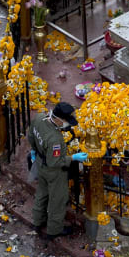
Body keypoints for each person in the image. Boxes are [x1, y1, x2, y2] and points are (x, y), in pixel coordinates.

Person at [28, 102, 87, 240]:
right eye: (66, 122)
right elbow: (54, 162)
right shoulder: (55, 139)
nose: (67, 125)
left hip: (39, 163)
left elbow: (31, 136)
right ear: (59, 119)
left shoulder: (39, 118)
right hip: (53, 172)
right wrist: (72, 157)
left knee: (41, 193)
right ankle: (54, 230)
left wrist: (34, 150)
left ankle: (37, 222)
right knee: (58, 199)